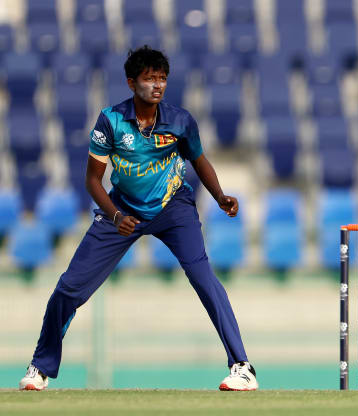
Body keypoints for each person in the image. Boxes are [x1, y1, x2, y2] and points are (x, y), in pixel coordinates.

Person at [19, 46, 258, 392]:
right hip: (122, 210)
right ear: (132, 83)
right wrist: (115, 216)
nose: (157, 85)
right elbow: (91, 180)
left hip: (173, 207)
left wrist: (220, 195)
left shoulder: (180, 120)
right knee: (69, 288)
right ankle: (40, 368)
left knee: (203, 276)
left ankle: (242, 367)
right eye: (149, 79)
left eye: (162, 78)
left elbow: (199, 160)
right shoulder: (111, 120)